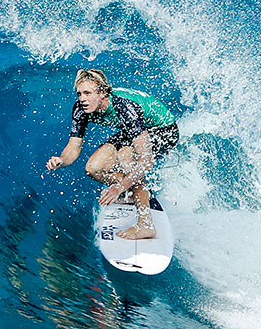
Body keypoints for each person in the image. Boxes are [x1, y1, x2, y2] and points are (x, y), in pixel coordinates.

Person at [45, 69, 178, 240]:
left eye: (87, 93)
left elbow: (145, 161)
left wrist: (118, 187)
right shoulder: (80, 109)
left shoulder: (124, 107)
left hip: (164, 130)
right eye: (79, 93)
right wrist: (61, 160)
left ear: (103, 93)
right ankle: (139, 191)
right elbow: (73, 148)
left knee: (126, 156)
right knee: (94, 168)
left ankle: (146, 225)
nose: (82, 99)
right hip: (135, 130)